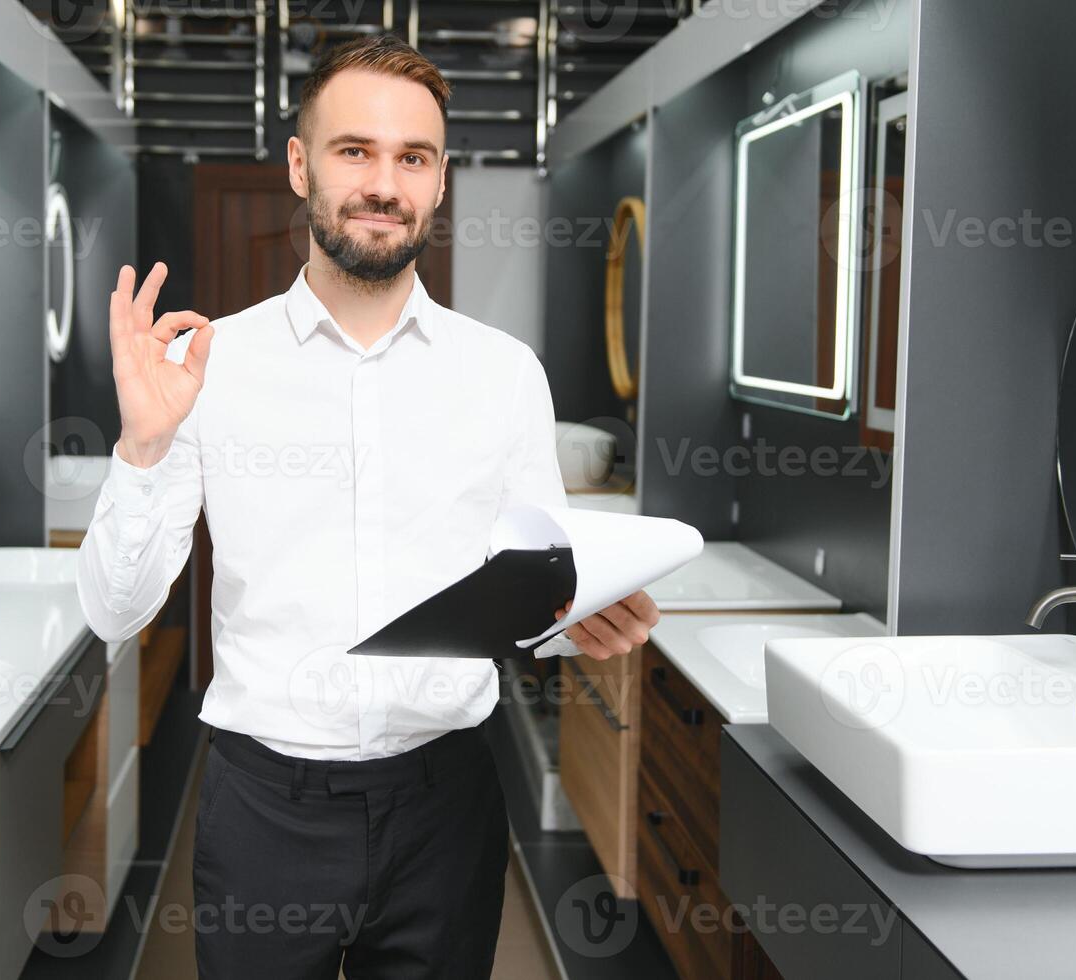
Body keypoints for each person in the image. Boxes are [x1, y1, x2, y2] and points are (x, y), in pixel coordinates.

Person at [77, 33, 661, 979]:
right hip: (264, 808)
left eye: (413, 158)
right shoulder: (207, 367)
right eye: (356, 151)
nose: (384, 184)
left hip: (445, 801)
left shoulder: (504, 376)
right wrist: (142, 448)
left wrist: (581, 619)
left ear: (435, 184)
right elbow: (113, 612)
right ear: (302, 167)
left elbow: (535, 593)